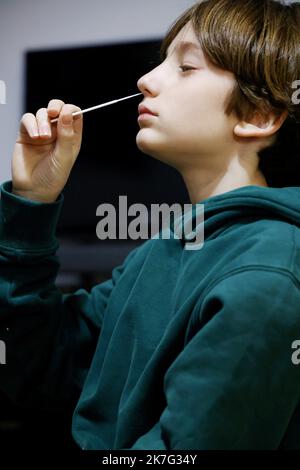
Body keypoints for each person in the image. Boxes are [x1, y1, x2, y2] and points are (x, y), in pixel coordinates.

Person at [1, 0, 300, 450]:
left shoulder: (265, 276)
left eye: (185, 67)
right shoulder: (167, 247)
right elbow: (40, 367)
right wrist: (32, 202)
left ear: (257, 116)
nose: (146, 80)